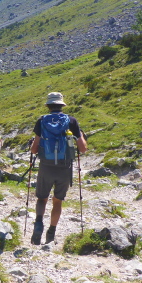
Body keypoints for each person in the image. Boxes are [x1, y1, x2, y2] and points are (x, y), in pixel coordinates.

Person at [29, 92, 87, 245]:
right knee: (57, 201)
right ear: (62, 105)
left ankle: (39, 223)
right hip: (64, 167)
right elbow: (82, 149)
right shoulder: (71, 121)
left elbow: (34, 150)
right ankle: (51, 233)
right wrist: (80, 134)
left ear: (48, 106)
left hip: (46, 166)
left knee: (42, 198)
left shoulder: (42, 121)